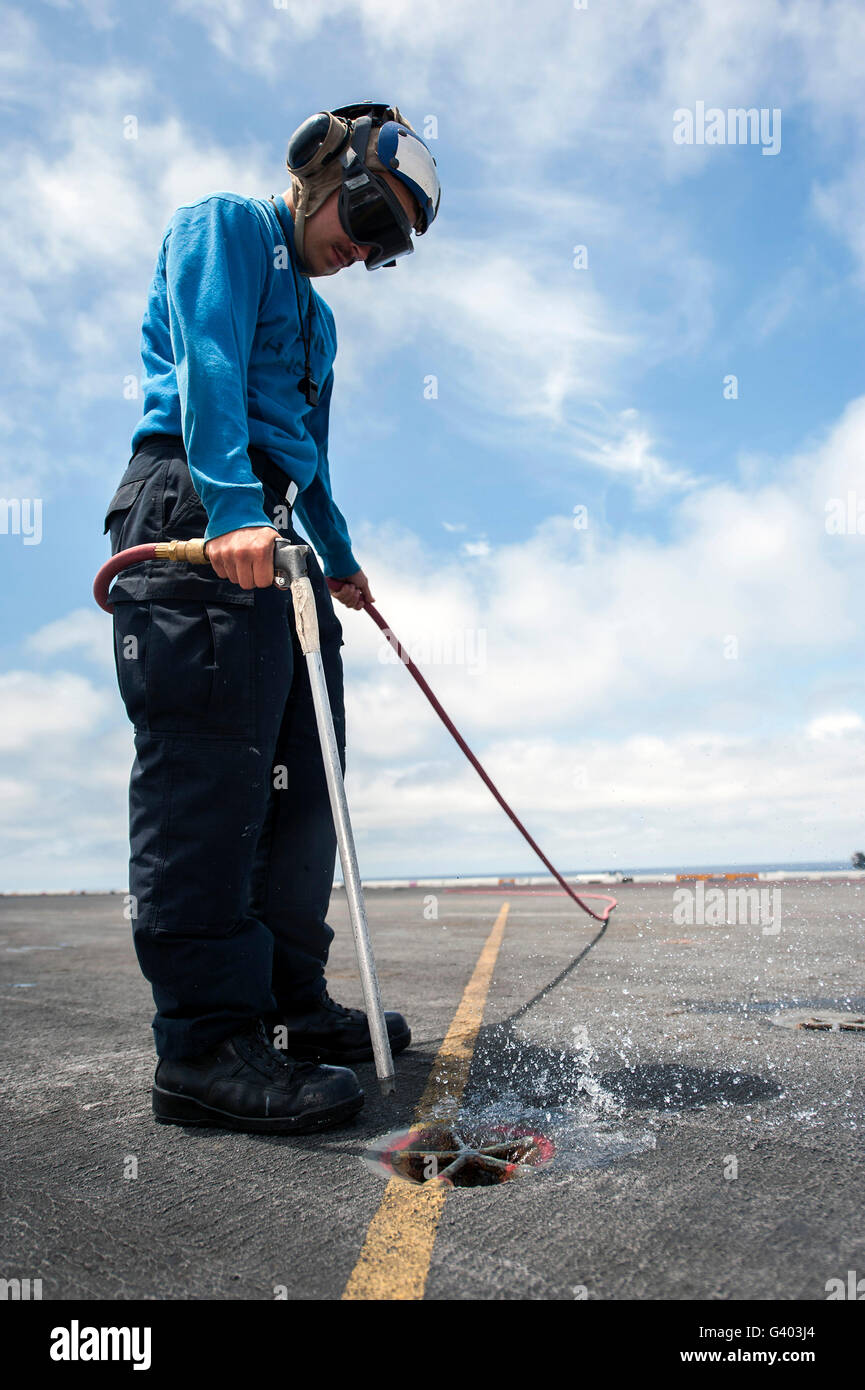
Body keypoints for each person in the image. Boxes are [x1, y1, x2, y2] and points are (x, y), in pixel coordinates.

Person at [103, 102, 441, 1134]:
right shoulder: (226, 227)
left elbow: (312, 452)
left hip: (282, 540)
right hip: (200, 510)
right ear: (319, 163)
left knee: (306, 786)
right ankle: (204, 1046)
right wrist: (239, 516)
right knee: (211, 780)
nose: (364, 246)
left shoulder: (322, 323)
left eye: (388, 244)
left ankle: (288, 1009)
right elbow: (209, 369)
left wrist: (338, 561)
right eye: (367, 212)